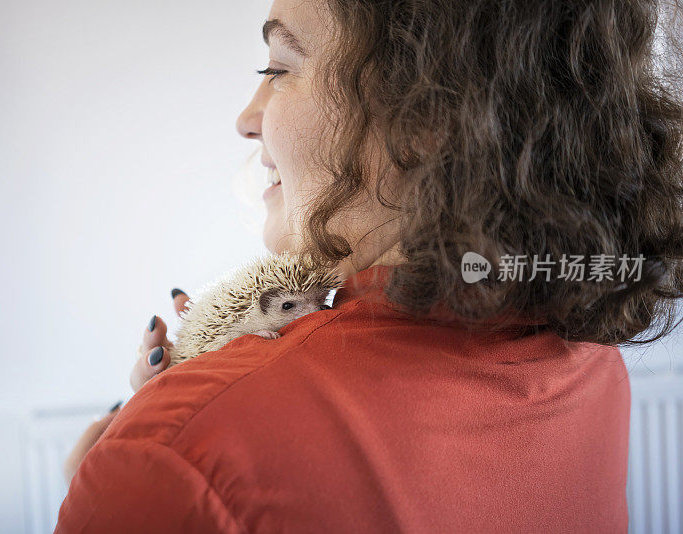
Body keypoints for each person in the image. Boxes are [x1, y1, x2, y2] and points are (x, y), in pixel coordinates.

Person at [56, 0, 683, 532]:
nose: (247, 118)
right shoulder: (593, 363)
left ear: (428, 117)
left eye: (278, 69)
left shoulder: (175, 458)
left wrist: (124, 471)